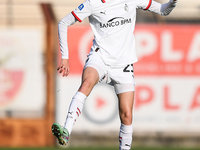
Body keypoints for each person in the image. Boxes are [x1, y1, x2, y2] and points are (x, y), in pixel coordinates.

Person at [52, 0, 178, 149]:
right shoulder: (93, 3)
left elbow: (163, 10)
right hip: (100, 58)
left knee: (127, 115)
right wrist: (65, 57)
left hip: (123, 64)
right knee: (86, 83)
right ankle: (66, 130)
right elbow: (63, 23)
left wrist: (173, 1)